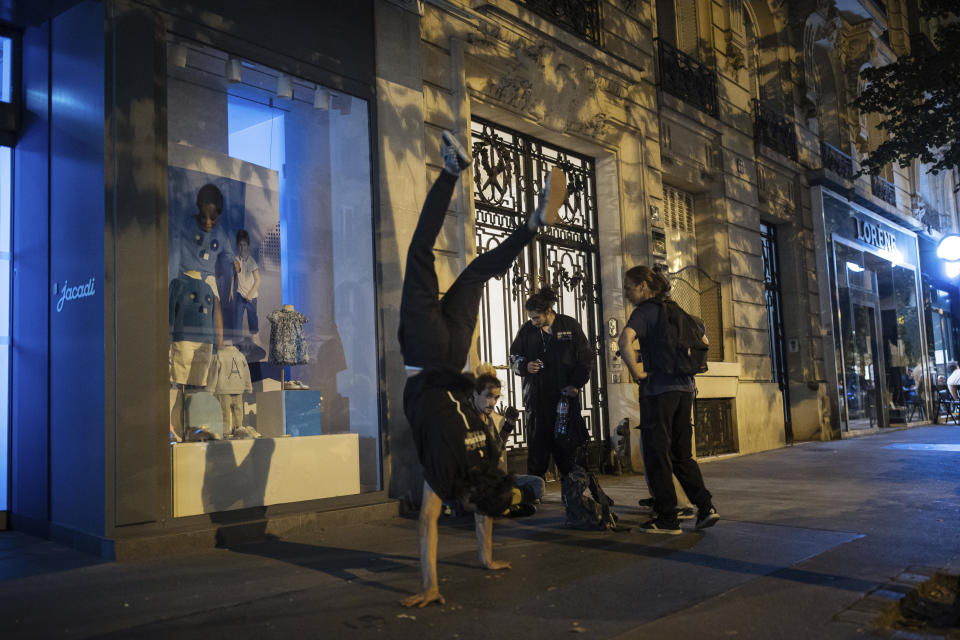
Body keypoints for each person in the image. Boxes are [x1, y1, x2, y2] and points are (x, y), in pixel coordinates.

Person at [400, 131, 566, 608]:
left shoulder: (489, 452)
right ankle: (452, 169)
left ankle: (533, 224)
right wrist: (430, 585)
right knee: (419, 253)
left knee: (476, 272)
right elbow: (429, 520)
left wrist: (487, 557)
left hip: (455, 353)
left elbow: (487, 507)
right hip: (426, 355)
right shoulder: (454, 473)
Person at [618, 265, 719, 535]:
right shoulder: (678, 310)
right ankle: (706, 507)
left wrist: (637, 372)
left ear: (642, 287)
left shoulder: (645, 312)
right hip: (684, 390)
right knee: (681, 455)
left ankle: (666, 519)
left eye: (629, 287)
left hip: (657, 392)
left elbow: (624, 340)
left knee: (657, 455)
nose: (626, 292)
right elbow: (703, 339)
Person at [510, 287, 592, 479]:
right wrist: (524, 366)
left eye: (536, 317)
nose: (533, 321)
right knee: (538, 448)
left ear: (548, 312)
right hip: (537, 400)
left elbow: (585, 358)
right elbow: (514, 356)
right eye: (530, 317)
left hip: (565, 398)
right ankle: (534, 492)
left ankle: (572, 490)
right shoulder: (527, 330)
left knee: (568, 447)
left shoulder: (569, 325)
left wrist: (576, 384)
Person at [471, 364, 545, 517]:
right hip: (475, 480)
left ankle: (505, 504)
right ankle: (508, 504)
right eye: (488, 396)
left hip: (494, 477)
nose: (492, 402)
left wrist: (509, 424)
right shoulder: (467, 418)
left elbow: (498, 449)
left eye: (496, 397)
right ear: (475, 392)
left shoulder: (489, 419)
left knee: (538, 484)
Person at [230, 229, 261, 340]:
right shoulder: (236, 260)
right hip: (240, 295)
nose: (242, 247)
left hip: (251, 297)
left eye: (245, 245)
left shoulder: (252, 262)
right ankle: (237, 341)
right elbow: (234, 275)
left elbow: (258, 280)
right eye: (240, 245)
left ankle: (255, 338)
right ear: (238, 245)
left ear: (248, 245)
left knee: (252, 318)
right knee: (237, 319)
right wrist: (231, 291)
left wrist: (251, 294)